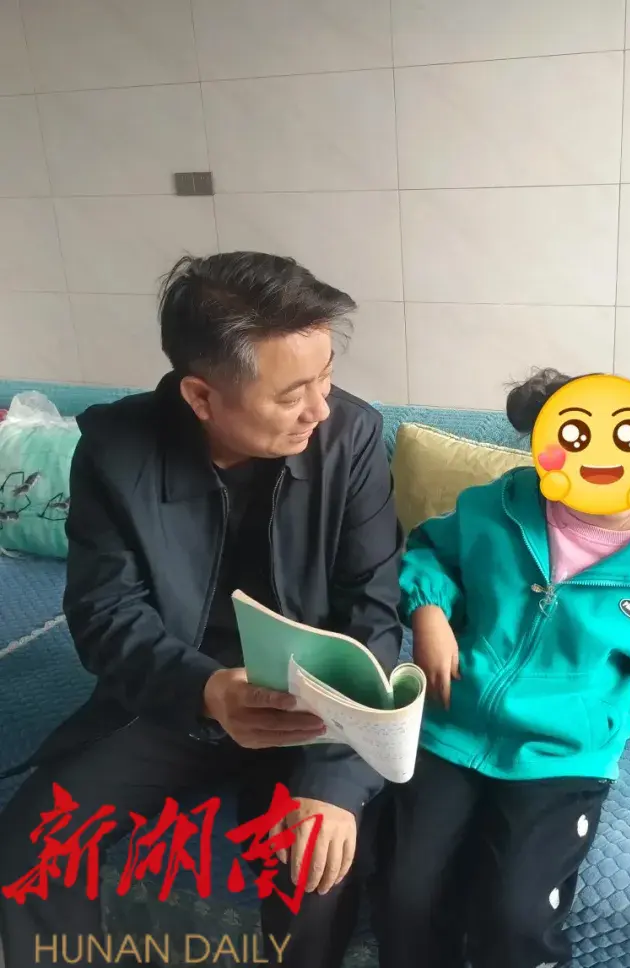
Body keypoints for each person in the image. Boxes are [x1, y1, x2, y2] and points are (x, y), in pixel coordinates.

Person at [0, 252, 404, 968]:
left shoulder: (351, 437)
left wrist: (334, 781)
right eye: (293, 394)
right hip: (178, 692)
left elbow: (373, 610)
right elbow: (105, 613)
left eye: (326, 378)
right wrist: (208, 691)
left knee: (315, 878)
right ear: (201, 396)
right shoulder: (116, 450)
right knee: (36, 848)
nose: (320, 408)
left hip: (314, 706)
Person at [374, 368, 630, 968]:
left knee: (515, 916)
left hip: (561, 755)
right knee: (405, 892)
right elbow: (431, 550)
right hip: (450, 725)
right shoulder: (495, 507)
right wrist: (428, 611)